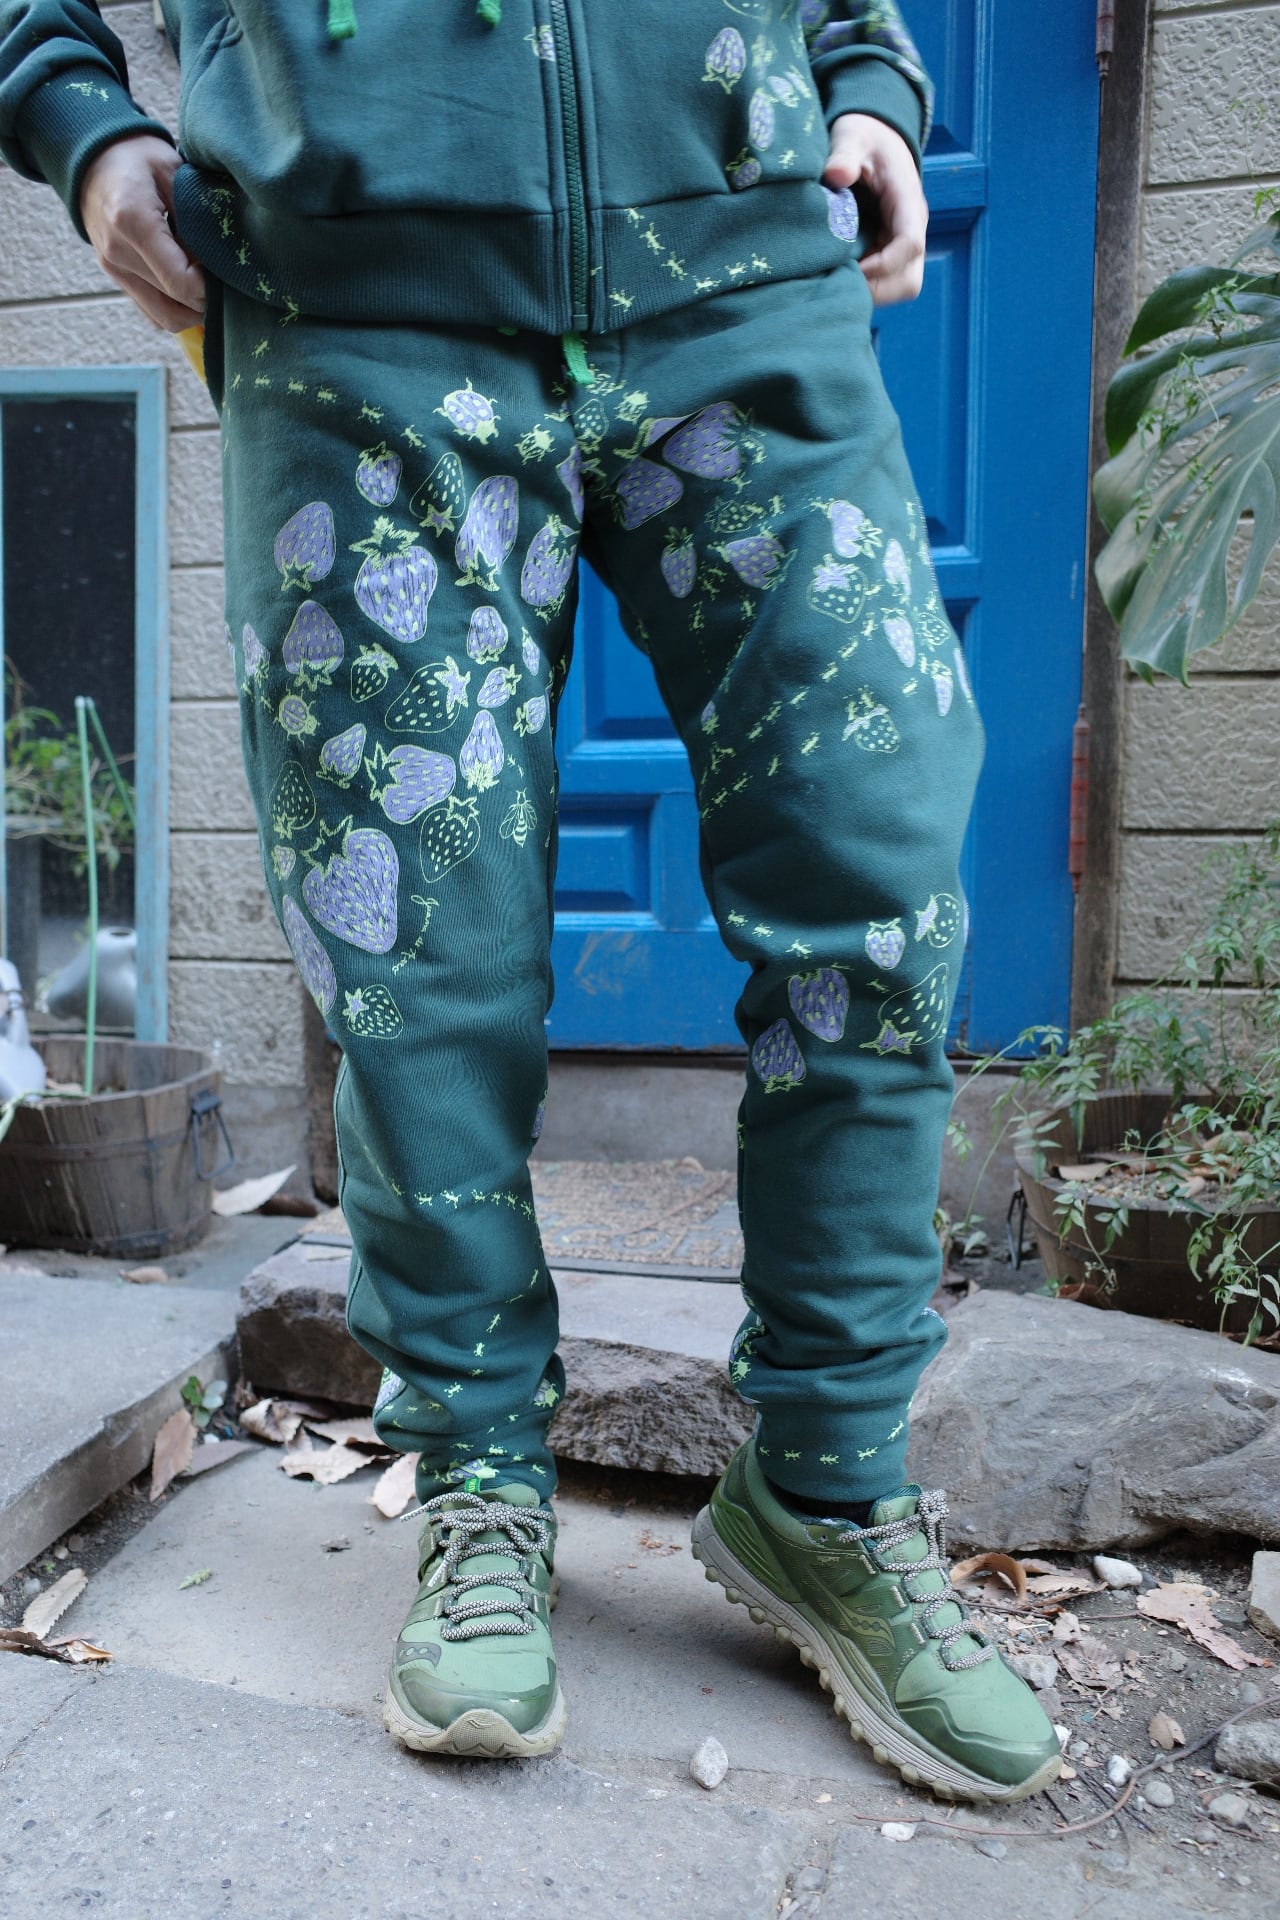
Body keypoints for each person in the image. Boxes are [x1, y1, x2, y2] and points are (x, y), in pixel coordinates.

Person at [0, 0, 1061, 1801]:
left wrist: (869, 72)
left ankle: (825, 1493)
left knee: (877, 886)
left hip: (745, 278)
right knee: (420, 955)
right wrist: (77, 116)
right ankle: (483, 1475)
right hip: (359, 300)